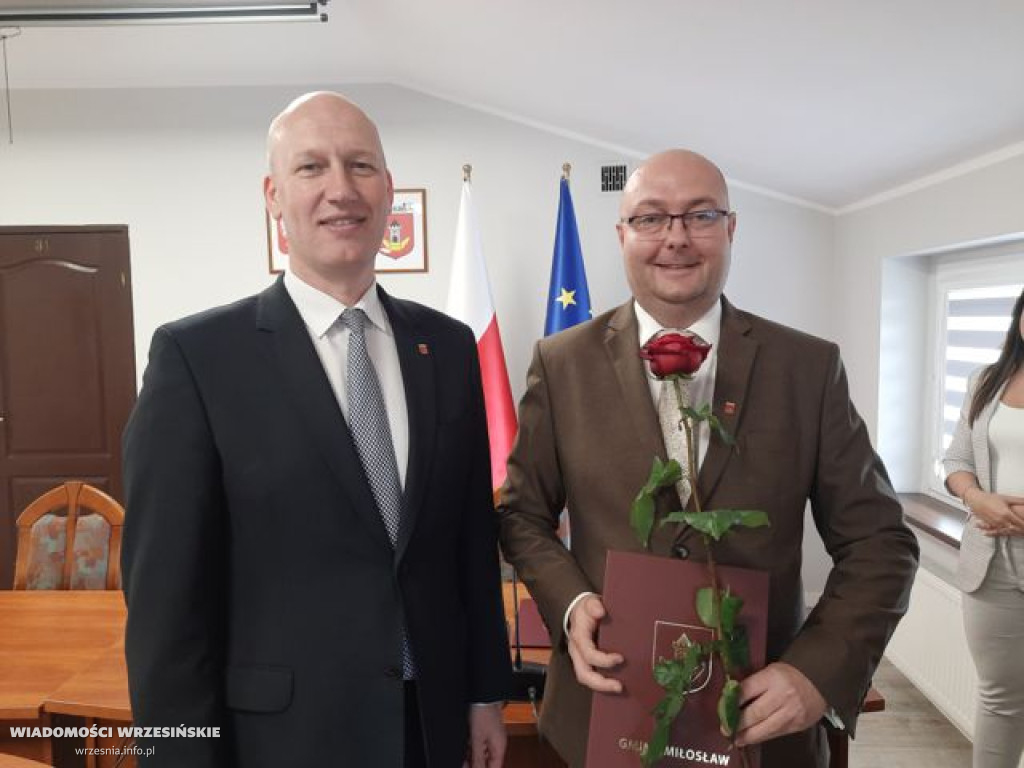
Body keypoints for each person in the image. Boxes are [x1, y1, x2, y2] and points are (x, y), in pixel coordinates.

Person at [121, 92, 511, 768]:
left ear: (388, 190)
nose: (340, 189)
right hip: (280, 741)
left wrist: (484, 694)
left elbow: (470, 543)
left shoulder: (446, 347)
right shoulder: (198, 357)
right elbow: (166, 604)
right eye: (311, 168)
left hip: (433, 726)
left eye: (361, 165)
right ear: (274, 196)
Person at [497, 149, 919, 767]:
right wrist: (568, 604)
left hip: (760, 723)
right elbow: (520, 515)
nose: (675, 238)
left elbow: (882, 543)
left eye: (700, 215)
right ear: (622, 235)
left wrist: (817, 672)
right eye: (650, 219)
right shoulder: (561, 364)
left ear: (731, 228)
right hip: (603, 712)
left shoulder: (807, 368)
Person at [944, 287, 1024, 768]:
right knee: (999, 701)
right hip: (990, 565)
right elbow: (955, 460)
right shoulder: (986, 381)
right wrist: (978, 500)